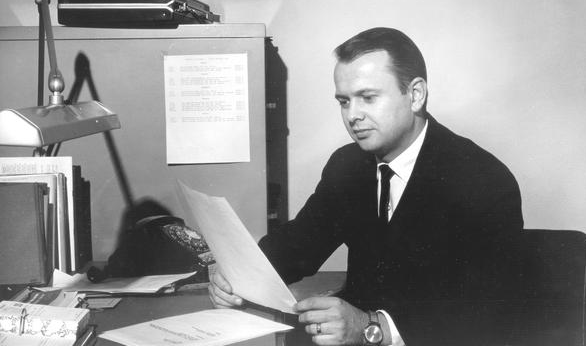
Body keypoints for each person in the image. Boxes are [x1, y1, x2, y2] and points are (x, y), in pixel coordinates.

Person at [209, 27, 523, 345]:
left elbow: (487, 316)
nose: (352, 115)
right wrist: (240, 275)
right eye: (344, 101)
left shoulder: (483, 181)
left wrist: (372, 327)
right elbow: (299, 244)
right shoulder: (348, 164)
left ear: (415, 95)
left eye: (368, 98)